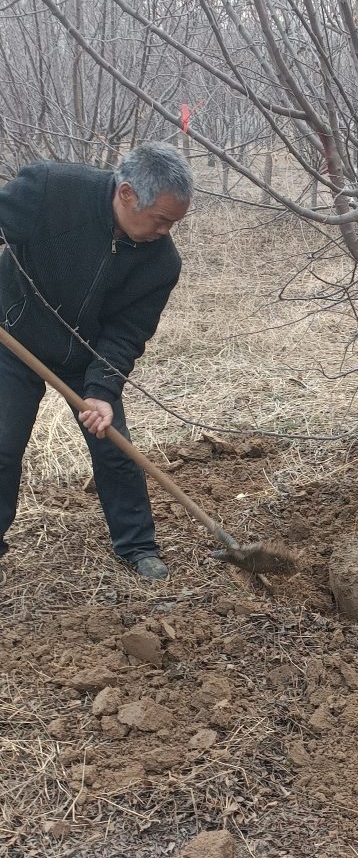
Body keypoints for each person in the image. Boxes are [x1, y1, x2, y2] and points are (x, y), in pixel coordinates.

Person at [0, 141, 192, 585]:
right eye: (161, 219)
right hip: (13, 337)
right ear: (126, 194)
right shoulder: (51, 190)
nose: (167, 231)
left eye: (175, 222)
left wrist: (102, 390)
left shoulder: (161, 263)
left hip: (84, 356)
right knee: (3, 446)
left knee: (115, 451)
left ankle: (138, 546)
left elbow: (127, 332)